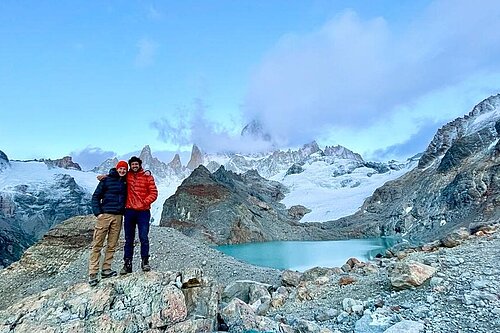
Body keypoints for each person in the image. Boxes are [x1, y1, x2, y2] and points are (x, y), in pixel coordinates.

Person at [88, 160, 128, 286]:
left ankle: (106, 269)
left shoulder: (126, 181)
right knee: (97, 244)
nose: (122, 171)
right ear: (117, 169)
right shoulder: (106, 180)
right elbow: (95, 197)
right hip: (105, 215)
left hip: (118, 217)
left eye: (124, 169)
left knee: (112, 244)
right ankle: (93, 273)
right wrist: (98, 213)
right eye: (120, 169)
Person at [120, 156, 158, 274]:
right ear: (130, 166)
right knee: (128, 239)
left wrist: (144, 202)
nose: (134, 166)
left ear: (139, 165)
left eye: (136, 164)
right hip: (130, 211)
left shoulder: (147, 177)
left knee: (143, 237)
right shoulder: (128, 176)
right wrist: (104, 177)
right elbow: (116, 174)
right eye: (133, 164)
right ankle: (127, 265)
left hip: (143, 212)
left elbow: (154, 193)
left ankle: (145, 262)